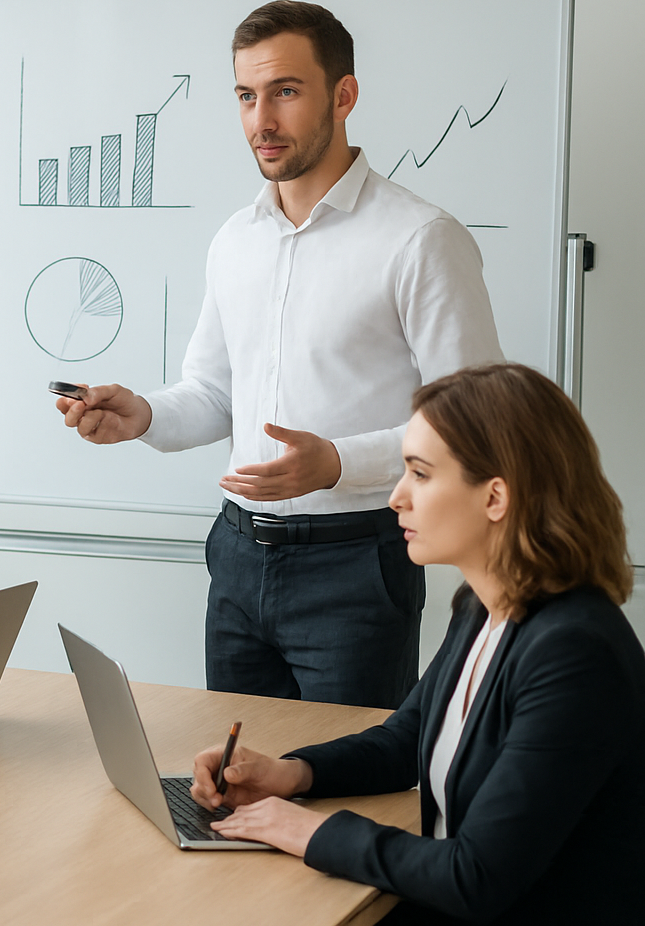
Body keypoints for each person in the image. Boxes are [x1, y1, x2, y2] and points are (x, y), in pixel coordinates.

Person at [57, 0, 504, 707]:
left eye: (286, 92)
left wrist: (336, 463)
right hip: (236, 556)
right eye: (246, 96)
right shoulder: (236, 239)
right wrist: (140, 416)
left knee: (347, 790)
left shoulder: (420, 240)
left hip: (356, 563)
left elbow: (476, 429)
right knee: (236, 789)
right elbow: (211, 395)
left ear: (343, 95)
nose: (261, 120)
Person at [188, 363, 644, 924]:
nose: (397, 498)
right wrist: (290, 774)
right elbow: (405, 740)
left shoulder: (575, 654)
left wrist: (306, 829)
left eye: (420, 474)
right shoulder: (483, 606)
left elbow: (475, 877)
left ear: (495, 496)